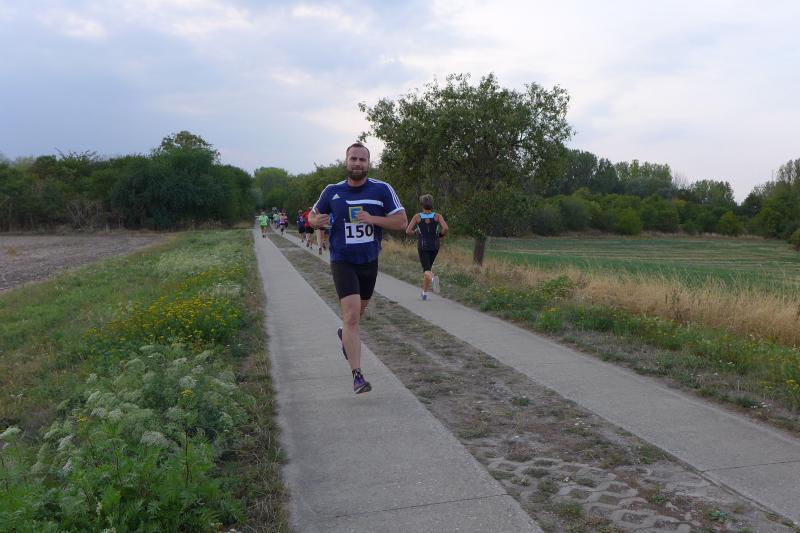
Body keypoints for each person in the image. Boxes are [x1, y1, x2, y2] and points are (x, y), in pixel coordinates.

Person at [309, 142, 407, 394]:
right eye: (353, 159)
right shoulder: (332, 191)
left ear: (368, 163)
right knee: (352, 315)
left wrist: (373, 219)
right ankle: (357, 376)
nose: (357, 163)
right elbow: (312, 216)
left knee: (356, 317)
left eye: (362, 160)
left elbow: (401, 222)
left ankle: (344, 334)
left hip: (369, 261)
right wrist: (316, 221)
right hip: (342, 260)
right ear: (346, 161)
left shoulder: (381, 189)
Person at [406, 194, 448, 300]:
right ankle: (424, 293)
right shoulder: (437, 216)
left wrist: (416, 232)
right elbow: (446, 228)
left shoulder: (417, 217)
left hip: (423, 246)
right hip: (435, 246)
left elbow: (408, 231)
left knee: (426, 270)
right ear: (431, 204)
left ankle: (433, 280)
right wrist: (440, 235)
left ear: (422, 205)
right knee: (428, 269)